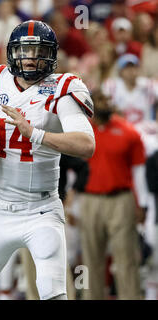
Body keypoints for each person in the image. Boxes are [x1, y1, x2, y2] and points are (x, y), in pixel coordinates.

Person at [0, 20, 96, 300]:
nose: (30, 58)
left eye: (38, 50)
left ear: (51, 54)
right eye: (24, 50)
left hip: (40, 209)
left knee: (52, 292)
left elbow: (86, 144)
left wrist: (36, 134)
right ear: (12, 52)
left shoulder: (63, 88)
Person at [77, 90, 148, 300]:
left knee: (126, 258)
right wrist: (71, 204)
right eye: (100, 99)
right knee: (90, 260)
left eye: (107, 99)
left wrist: (141, 204)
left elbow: (139, 171)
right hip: (89, 199)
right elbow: (72, 169)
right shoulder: (81, 131)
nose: (106, 103)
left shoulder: (128, 132)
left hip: (121, 199)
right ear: (90, 104)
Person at [102, 54, 158, 124]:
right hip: (121, 130)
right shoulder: (112, 86)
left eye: (134, 67)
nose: (131, 70)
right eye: (127, 67)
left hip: (146, 131)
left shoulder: (149, 85)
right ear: (120, 71)